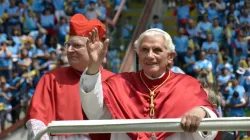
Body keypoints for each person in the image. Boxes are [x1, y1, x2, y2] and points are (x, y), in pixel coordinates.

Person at [79, 28, 218, 140]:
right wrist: (93, 66)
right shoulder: (119, 83)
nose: (150, 56)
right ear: (138, 54)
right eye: (144, 50)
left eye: (157, 50)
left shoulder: (188, 84)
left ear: (170, 57)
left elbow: (208, 127)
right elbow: (94, 112)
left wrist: (201, 112)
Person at [26, 14, 114, 140]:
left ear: (94, 48)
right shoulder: (51, 78)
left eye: (77, 45)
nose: (70, 50)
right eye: (68, 45)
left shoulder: (114, 81)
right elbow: (37, 119)